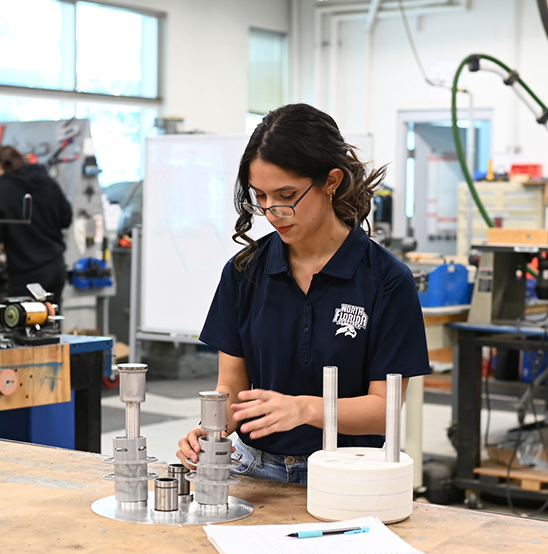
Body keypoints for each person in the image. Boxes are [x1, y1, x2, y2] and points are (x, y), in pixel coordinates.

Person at [175, 103, 430, 484]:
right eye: (259, 196)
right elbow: (231, 387)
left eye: (286, 194)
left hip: (349, 475)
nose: (272, 211)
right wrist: (210, 429)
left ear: (331, 181)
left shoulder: (387, 281)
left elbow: (384, 409)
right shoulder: (244, 272)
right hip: (252, 470)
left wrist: (307, 409)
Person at [0, 144, 73, 304]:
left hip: (27, 273)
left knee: (22, 324)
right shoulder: (48, 182)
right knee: (50, 321)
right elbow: (66, 219)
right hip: (55, 267)